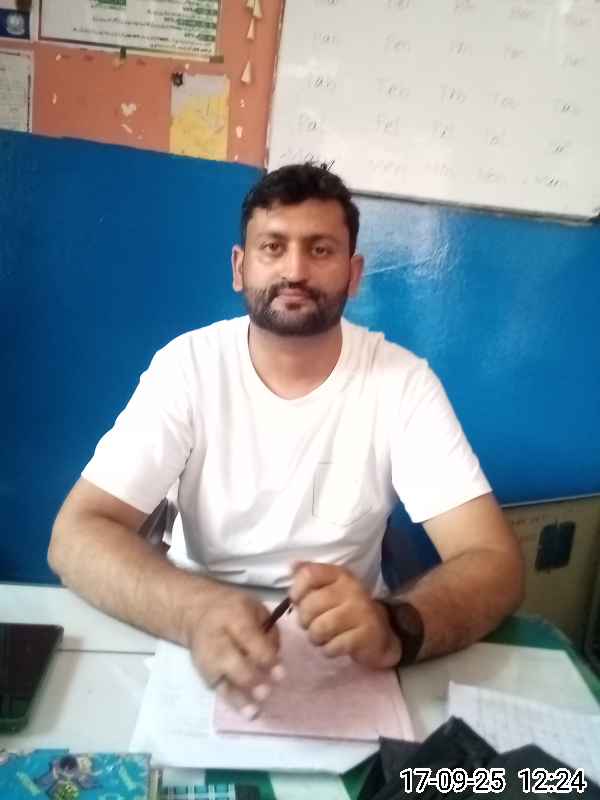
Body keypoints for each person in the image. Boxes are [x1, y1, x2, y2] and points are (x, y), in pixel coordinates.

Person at [49, 163, 524, 719]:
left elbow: (494, 562)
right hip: (193, 635)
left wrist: (395, 626)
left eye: (320, 250)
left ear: (353, 273)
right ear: (240, 267)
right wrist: (193, 612)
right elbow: (75, 534)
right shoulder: (188, 368)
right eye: (273, 247)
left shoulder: (403, 383)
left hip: (345, 653)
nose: (295, 270)